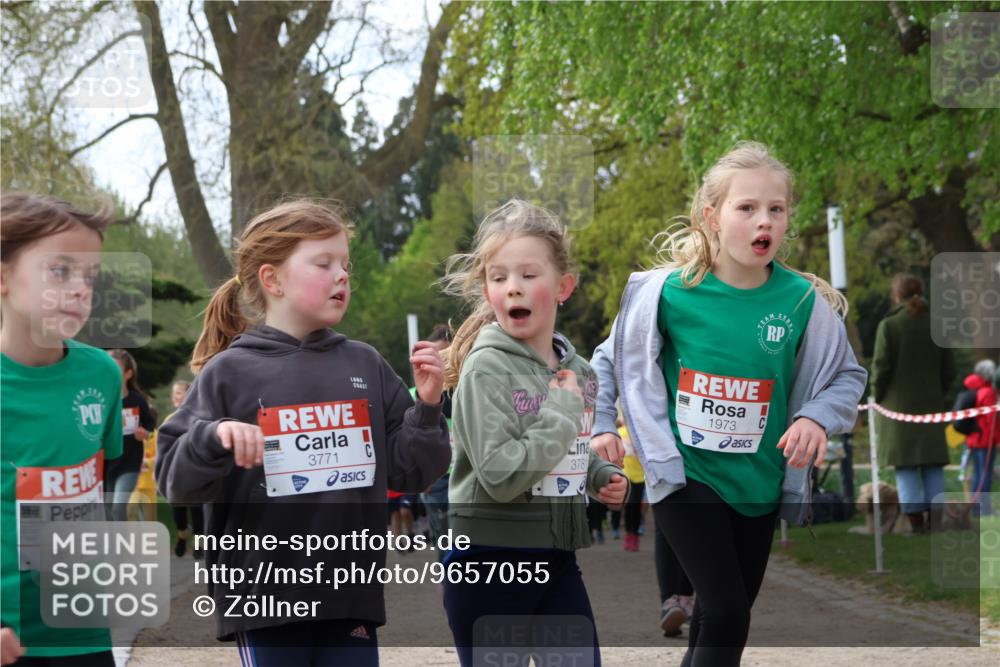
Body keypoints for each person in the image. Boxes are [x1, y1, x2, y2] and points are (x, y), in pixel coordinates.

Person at [589, 142, 867, 666]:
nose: (763, 220)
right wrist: (604, 423)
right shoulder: (666, 294)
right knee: (726, 609)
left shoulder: (804, 302)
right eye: (747, 208)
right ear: (711, 216)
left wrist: (815, 416)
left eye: (776, 209)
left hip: (759, 481)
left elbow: (848, 376)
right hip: (685, 473)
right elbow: (607, 360)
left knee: (720, 620)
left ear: (787, 220)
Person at [155, 199, 451, 666]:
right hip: (264, 603)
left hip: (350, 599)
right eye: (324, 263)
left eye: (346, 264)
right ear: (272, 280)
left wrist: (429, 408)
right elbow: (174, 480)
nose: (343, 275)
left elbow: (410, 471)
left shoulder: (365, 364)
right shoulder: (227, 373)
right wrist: (214, 437)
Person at [440, 199, 627, 667]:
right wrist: (563, 411)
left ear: (563, 286)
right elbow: (501, 475)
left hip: (558, 558)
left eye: (528, 275)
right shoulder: (485, 368)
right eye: (499, 277)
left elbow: (567, 450)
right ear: (487, 289)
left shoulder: (580, 371)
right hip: (487, 563)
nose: (513, 288)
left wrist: (599, 474)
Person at [1, 193, 123, 666]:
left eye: (90, 276)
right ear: (4, 276)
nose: (80, 289)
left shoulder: (103, 376)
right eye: (60, 271)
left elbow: (95, 478)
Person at [870, 274, 955, 533]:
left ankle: (916, 524)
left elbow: (881, 368)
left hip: (897, 409)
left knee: (905, 465)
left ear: (896, 295)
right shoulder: (938, 324)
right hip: (931, 405)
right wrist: (937, 393)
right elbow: (949, 370)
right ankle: (937, 521)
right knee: (932, 464)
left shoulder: (890, 326)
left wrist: (875, 395)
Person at [416, 324, 454, 563]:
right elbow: (414, 438)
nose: (444, 362)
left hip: (470, 476)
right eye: (439, 356)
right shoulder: (418, 393)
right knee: (443, 537)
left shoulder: (474, 387)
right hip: (437, 480)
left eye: (449, 356)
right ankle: (450, 586)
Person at [105, 349, 156, 522]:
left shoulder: (137, 400)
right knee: (107, 511)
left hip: (129, 463)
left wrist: (145, 433)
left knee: (119, 508)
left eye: (115, 368)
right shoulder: (100, 400)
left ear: (128, 374)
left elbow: (150, 423)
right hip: (105, 464)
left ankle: (120, 547)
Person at [160, 380, 205, 557]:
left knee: (197, 510)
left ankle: (199, 544)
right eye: (174, 394)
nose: (175, 397)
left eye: (179, 392)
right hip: (175, 473)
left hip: (195, 471)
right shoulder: (168, 420)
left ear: (189, 395)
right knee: (178, 513)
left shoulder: (199, 418)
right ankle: (182, 535)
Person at [953, 359, 996, 505]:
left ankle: (975, 507)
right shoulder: (988, 392)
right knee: (985, 475)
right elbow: (991, 421)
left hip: (972, 438)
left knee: (977, 474)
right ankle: (984, 508)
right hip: (985, 440)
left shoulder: (973, 389)